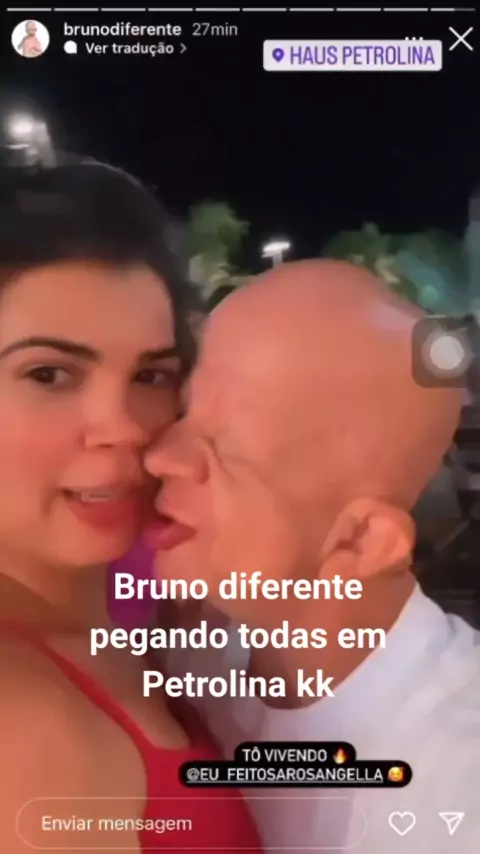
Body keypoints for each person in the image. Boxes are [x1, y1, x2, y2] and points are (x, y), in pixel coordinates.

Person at [146, 259, 480, 853]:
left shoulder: (454, 784)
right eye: (181, 412)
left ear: (363, 542)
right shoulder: (189, 654)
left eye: (225, 450)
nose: (159, 457)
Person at [0, 160, 262, 852]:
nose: (121, 426)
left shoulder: (139, 626)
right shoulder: (23, 724)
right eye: (49, 374)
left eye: (151, 375)